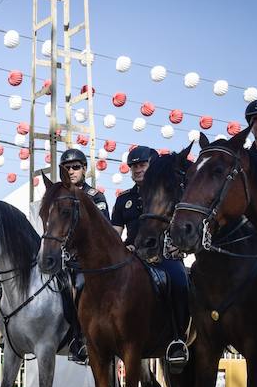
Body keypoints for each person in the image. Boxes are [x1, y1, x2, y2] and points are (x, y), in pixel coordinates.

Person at [111, 146, 190, 370]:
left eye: (142, 164)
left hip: (165, 255)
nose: (137, 169)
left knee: (179, 282)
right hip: (133, 257)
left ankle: (177, 340)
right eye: (133, 166)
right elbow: (115, 233)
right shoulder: (123, 199)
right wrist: (121, 248)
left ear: (153, 166)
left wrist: (179, 245)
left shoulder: (170, 191)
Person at [58, 148, 108, 365]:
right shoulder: (60, 197)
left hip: (88, 263)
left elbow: (103, 230)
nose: (71, 171)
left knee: (77, 287)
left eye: (76, 167)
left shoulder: (95, 196)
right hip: (63, 260)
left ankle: (81, 340)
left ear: (84, 169)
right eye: (67, 168)